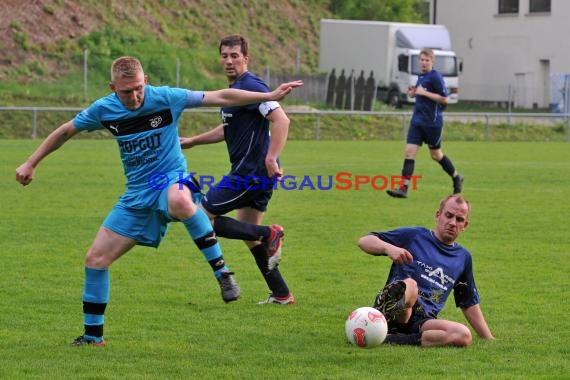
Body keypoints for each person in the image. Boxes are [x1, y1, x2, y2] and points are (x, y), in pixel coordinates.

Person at [15, 56, 303, 346]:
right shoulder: (104, 109)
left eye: (139, 88)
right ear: (112, 87)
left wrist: (269, 95)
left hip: (171, 181)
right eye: (126, 91)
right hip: (137, 196)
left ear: (146, 81)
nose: (135, 96)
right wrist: (31, 162)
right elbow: (66, 130)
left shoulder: (165, 97)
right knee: (96, 260)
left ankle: (223, 273)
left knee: (180, 199)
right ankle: (93, 336)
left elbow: (222, 95)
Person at [180, 35, 294, 305]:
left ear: (246, 58)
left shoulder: (252, 86)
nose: (229, 61)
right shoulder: (238, 91)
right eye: (225, 56)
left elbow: (281, 119)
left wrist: (271, 157)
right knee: (249, 235)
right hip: (256, 173)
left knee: (201, 217)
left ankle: (270, 233)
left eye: (235, 55)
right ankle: (282, 294)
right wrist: (194, 141)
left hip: (250, 173)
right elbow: (228, 128)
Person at [357, 194, 494, 347]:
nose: (453, 223)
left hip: (423, 321)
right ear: (438, 215)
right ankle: (386, 313)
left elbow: (468, 302)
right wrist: (388, 248)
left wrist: (489, 338)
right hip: (396, 312)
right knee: (410, 285)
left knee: (463, 335)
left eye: (459, 219)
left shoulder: (463, 258)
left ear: (465, 225)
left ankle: (392, 339)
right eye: (449, 215)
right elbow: (364, 241)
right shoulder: (415, 236)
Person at [387, 48, 463, 199]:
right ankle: (403, 188)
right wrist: (414, 93)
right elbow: (422, 94)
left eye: (427, 60)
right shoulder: (421, 76)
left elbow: (444, 99)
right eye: (421, 60)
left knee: (436, 155)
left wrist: (424, 93)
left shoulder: (436, 77)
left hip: (432, 123)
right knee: (409, 152)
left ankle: (456, 177)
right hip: (417, 122)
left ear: (432, 62)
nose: (423, 62)